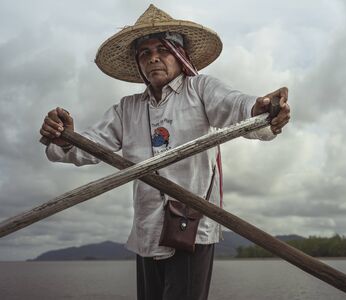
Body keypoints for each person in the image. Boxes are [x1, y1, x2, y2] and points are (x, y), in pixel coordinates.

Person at [40, 4, 290, 300]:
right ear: (138, 63)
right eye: (144, 52)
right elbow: (90, 145)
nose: (153, 57)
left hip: (192, 229)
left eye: (162, 49)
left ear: (179, 53)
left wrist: (260, 108)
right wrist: (65, 137)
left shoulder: (200, 90)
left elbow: (236, 106)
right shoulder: (127, 109)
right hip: (147, 231)